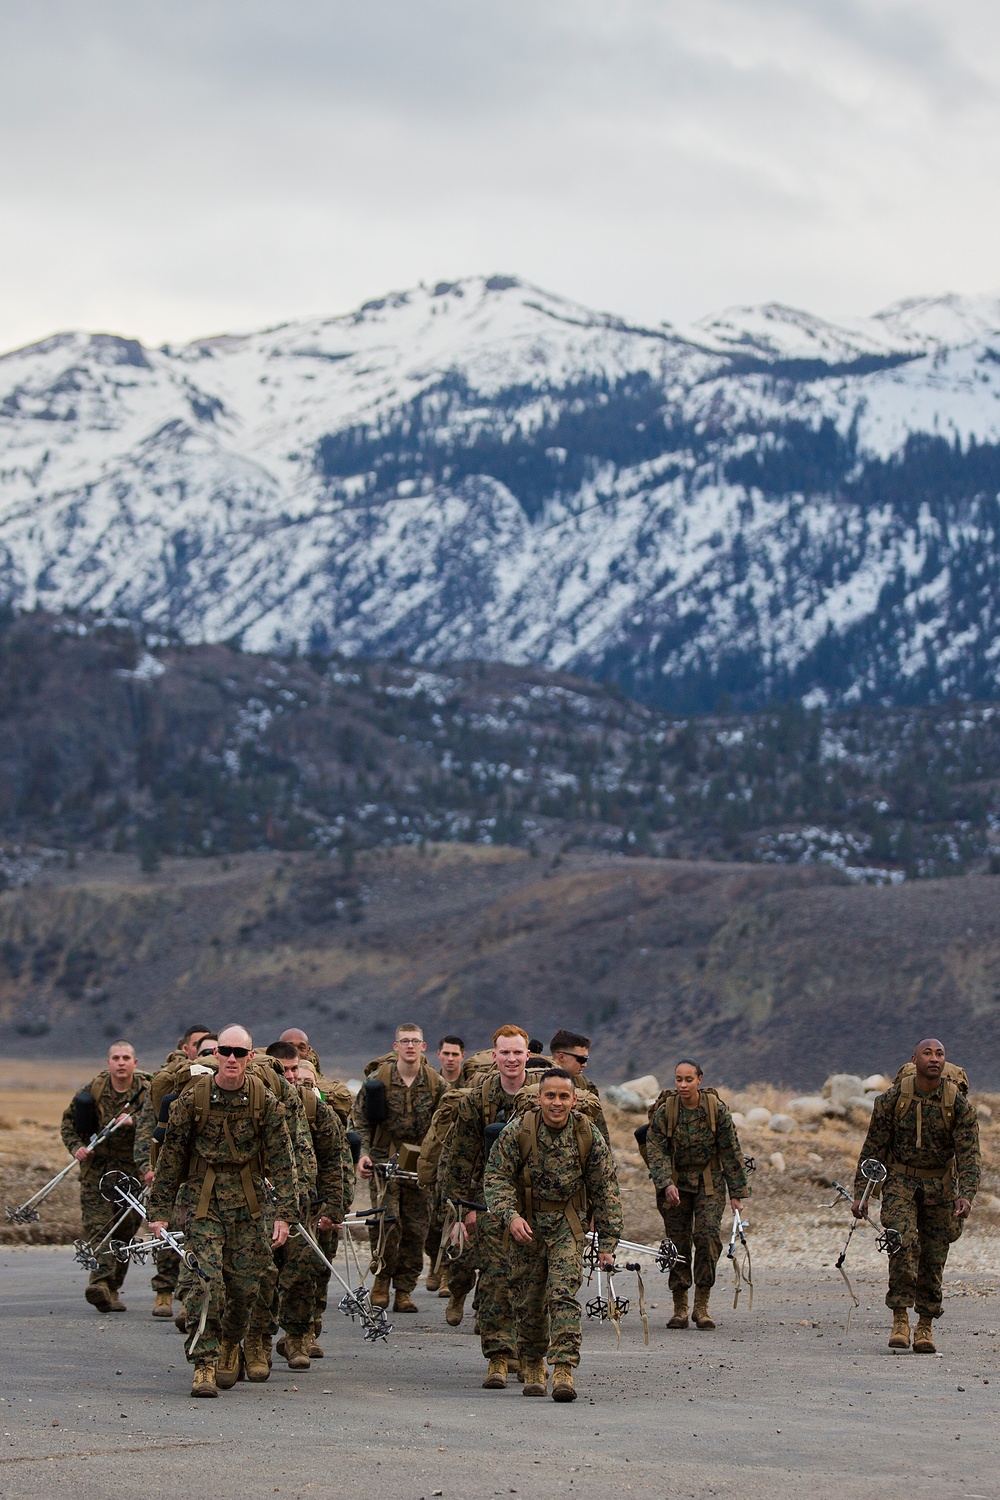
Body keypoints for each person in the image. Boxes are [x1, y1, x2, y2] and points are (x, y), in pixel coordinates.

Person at [148, 1024, 297, 1398]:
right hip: (204, 1203)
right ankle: (204, 1363)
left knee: (247, 1289)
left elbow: (283, 1161)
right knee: (206, 1282)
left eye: (240, 1053)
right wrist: (159, 1211)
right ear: (215, 1055)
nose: (232, 1058)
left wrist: (284, 1215)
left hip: (249, 1206)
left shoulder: (264, 1102)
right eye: (226, 1051)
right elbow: (171, 1158)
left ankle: (232, 1343)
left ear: (250, 1057)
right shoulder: (192, 1100)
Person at [485, 1068, 623, 1403]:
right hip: (527, 1225)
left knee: (562, 1293)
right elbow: (496, 1177)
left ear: (574, 1100)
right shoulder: (519, 1131)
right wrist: (511, 1216)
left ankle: (563, 1367)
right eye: (550, 1095)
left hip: (567, 1224)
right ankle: (533, 1364)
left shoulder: (587, 1134)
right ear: (539, 1098)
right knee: (528, 1298)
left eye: (563, 1096)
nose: (556, 1102)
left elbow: (606, 1188)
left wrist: (607, 1243)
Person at [853, 1038, 980, 1354]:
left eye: (940, 1054)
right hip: (900, 1182)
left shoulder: (958, 1105)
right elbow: (873, 1150)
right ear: (914, 1059)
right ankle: (899, 1318)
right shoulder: (892, 1099)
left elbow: (970, 1155)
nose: (934, 1059)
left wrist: (967, 1195)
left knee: (934, 1256)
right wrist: (862, 1194)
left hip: (941, 1187)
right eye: (928, 1053)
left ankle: (925, 1325)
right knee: (901, 1243)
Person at [438, 1025, 531, 1384]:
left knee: (528, 1279)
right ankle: (497, 1355)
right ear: (494, 1057)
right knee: (494, 1279)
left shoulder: (543, 1096)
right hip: (487, 1200)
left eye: (516, 1052)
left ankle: (526, 1349)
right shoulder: (477, 1100)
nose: (510, 1059)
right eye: (504, 1053)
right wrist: (461, 1212)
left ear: (527, 1055)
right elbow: (459, 1158)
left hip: (533, 1204)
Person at [645, 1058, 749, 1331]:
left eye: (688, 1080)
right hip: (675, 1183)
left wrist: (737, 1192)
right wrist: (665, 1183)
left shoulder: (716, 1110)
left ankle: (701, 1305)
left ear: (699, 1080)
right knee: (677, 1243)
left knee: (706, 1236)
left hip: (709, 1182)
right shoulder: (666, 1111)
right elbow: (655, 1150)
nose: (682, 1085)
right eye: (678, 1079)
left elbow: (731, 1150)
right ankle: (680, 1307)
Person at [351, 1023, 444, 1312]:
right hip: (384, 1160)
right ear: (396, 1047)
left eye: (415, 1041)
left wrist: (438, 1162)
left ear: (423, 1046)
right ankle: (381, 1281)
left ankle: (404, 1289)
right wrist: (362, 1154)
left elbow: (445, 1125)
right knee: (386, 1223)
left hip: (419, 1163)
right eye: (404, 1041)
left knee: (416, 1228)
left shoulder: (435, 1083)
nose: (410, 1046)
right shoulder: (377, 1082)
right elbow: (360, 1122)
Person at [60, 1039, 150, 1314]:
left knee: (125, 1230)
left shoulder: (148, 1093)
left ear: (135, 1063)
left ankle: (112, 1286)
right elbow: (68, 1125)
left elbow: (163, 1125)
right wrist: (77, 1147)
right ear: (108, 1063)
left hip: (132, 1171)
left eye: (126, 1058)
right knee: (98, 1226)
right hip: (97, 1170)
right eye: (116, 1058)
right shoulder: (92, 1091)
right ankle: (99, 1283)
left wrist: (138, 1123)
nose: (121, 1063)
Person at [425, 1035, 467, 1294]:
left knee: (453, 1216)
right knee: (430, 1219)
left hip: (457, 1158)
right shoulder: (431, 1084)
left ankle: (447, 1274)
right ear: (438, 1055)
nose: (450, 1059)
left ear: (462, 1056)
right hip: (434, 1157)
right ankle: (434, 1262)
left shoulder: (473, 1084)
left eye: (455, 1054)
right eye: (446, 1054)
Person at [548, 1030, 609, 1139]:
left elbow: (600, 1128)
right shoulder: (537, 1081)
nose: (584, 1064)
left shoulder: (584, 1084)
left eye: (586, 1059)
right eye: (581, 1059)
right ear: (561, 1057)